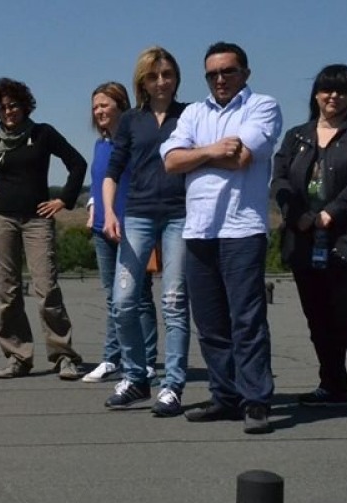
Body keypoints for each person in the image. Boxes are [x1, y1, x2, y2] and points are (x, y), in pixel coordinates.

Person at [161, 41, 283, 434]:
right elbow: (170, 162)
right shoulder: (193, 113)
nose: (220, 79)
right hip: (199, 229)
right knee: (210, 322)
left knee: (246, 320)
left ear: (245, 73)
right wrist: (214, 149)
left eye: (228, 71)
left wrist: (195, 155)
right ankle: (225, 396)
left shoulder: (262, 106)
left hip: (241, 228)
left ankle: (255, 401)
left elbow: (241, 157)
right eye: (212, 74)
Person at [271, 64, 347, 419]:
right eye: (326, 89)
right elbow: (279, 179)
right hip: (304, 239)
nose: (333, 96)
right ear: (316, 94)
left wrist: (331, 213)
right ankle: (334, 385)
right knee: (319, 317)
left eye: (341, 90)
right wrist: (296, 214)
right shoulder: (296, 136)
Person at [0, 77, 88, 380]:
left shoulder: (43, 134)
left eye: (14, 105)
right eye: (2, 107)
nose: (9, 111)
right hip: (2, 219)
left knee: (46, 289)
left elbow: (77, 163)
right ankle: (18, 357)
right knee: (7, 291)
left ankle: (63, 356)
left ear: (25, 105)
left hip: (37, 220)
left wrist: (64, 200)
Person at [102, 48, 191, 417]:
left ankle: (172, 385)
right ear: (142, 81)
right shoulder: (131, 121)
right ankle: (136, 376)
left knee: (173, 301)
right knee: (123, 301)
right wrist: (109, 212)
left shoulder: (189, 114)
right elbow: (113, 171)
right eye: (153, 76)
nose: (161, 82)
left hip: (179, 214)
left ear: (176, 77)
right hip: (137, 213)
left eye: (167, 74)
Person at [82, 82, 158, 385]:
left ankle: (147, 360)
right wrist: (92, 207)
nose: (99, 111)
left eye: (105, 105)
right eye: (95, 107)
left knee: (139, 297)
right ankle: (112, 358)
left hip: (134, 227)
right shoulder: (100, 145)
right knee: (113, 297)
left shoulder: (135, 143)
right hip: (102, 228)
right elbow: (98, 180)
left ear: (121, 106)